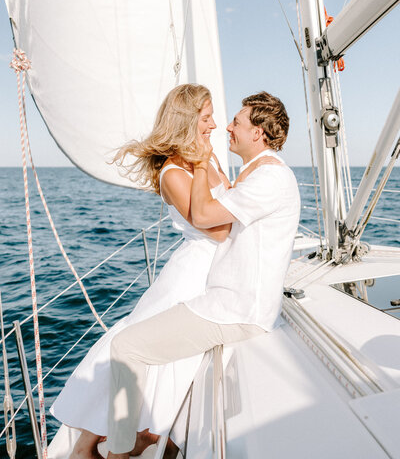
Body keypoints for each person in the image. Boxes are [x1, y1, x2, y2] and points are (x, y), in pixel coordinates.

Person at [106, 91, 301, 459]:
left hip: (235, 309)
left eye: (237, 122)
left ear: (257, 133)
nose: (227, 126)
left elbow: (206, 217)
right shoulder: (257, 172)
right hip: (229, 301)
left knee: (125, 346)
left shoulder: (269, 178)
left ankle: (118, 452)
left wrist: (197, 164)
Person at [50, 84, 231, 459]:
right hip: (192, 275)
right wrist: (203, 166)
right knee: (147, 347)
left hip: (217, 271)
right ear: (187, 120)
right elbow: (217, 228)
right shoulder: (175, 173)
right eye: (206, 116)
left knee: (170, 356)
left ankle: (136, 434)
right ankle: (93, 442)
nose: (214, 123)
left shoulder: (208, 160)